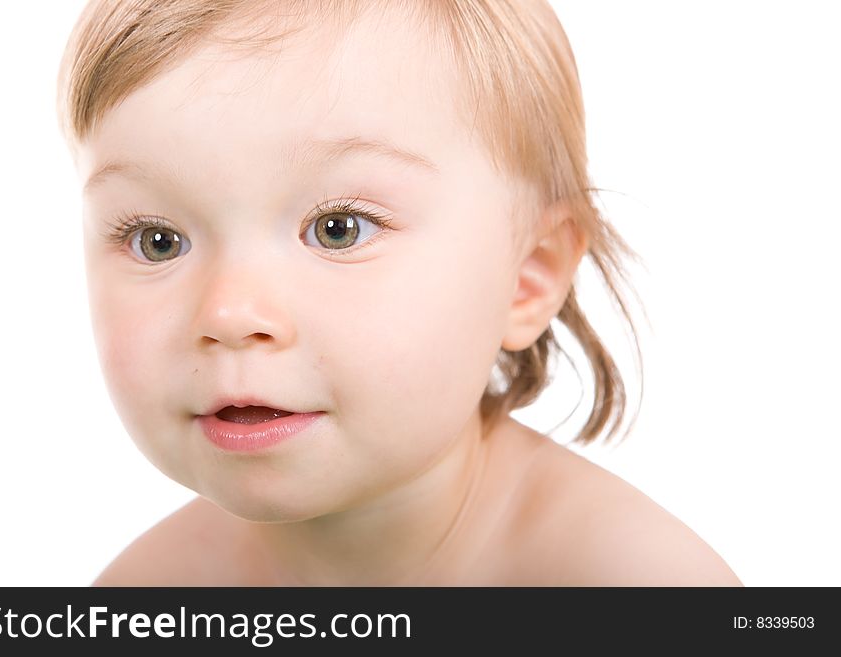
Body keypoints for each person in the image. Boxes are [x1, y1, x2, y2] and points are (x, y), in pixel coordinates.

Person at [56, 0, 742, 586]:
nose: (230, 313)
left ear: (527, 277)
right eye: (157, 239)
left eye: (337, 229)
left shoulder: (631, 586)